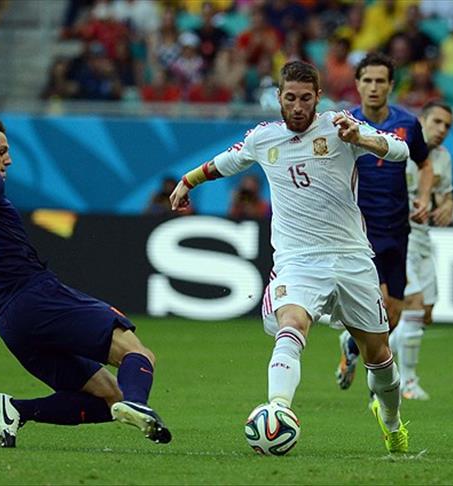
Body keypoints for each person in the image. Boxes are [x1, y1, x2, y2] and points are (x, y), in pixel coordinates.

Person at [169, 60, 411, 453]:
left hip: (351, 258)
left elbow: (400, 150)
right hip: (298, 261)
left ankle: (392, 422)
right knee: (292, 325)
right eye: (290, 98)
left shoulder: (340, 126)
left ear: (318, 98)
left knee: (378, 354)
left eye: (305, 98)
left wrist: (362, 139)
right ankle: (277, 410)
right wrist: (187, 181)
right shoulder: (263, 138)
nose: (298, 107)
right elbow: (224, 163)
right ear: (279, 98)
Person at [0, 119, 171, 448]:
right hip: (37, 297)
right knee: (136, 351)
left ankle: (15, 410)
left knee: (109, 397)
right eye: (1, 151)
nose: (8, 160)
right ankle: (139, 405)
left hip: (11, 324)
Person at [334, 53, 433, 392]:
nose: (373, 87)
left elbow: (425, 164)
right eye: (367, 80)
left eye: (380, 81)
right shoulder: (343, 124)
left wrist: (424, 197)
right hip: (360, 230)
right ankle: (379, 392)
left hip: (398, 227)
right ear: (357, 84)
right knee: (378, 307)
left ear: (391, 85)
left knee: (394, 315)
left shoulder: (408, 124)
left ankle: (351, 346)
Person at [390, 100, 453, 400]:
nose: (441, 130)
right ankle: (407, 382)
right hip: (397, 236)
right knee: (413, 306)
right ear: (421, 121)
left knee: (425, 314)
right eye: (436, 122)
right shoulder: (400, 150)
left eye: (447, 126)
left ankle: (353, 345)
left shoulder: (442, 158)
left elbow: (445, 196)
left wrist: (447, 206)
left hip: (422, 238)